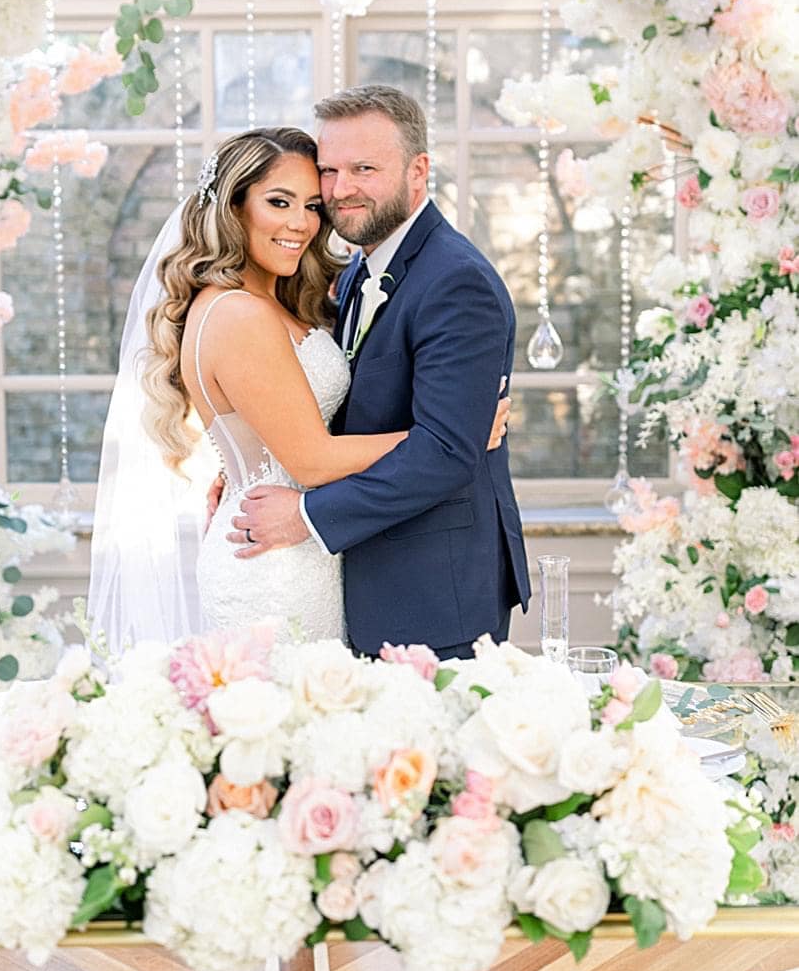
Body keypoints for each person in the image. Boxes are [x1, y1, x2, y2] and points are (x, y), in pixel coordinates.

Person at [88, 120, 510, 651]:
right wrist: (454, 434)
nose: (302, 224)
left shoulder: (279, 301)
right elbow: (311, 459)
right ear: (233, 207)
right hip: (273, 563)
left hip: (300, 545)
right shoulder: (238, 313)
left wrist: (244, 462)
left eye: (312, 205)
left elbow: (279, 422)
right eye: (279, 203)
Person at [229, 86, 530, 659]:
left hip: (432, 594)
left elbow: (445, 452)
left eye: (364, 168)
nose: (341, 190)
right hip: (356, 581)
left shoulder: (457, 283)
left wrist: (306, 514)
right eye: (330, 170)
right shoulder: (351, 273)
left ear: (419, 172)